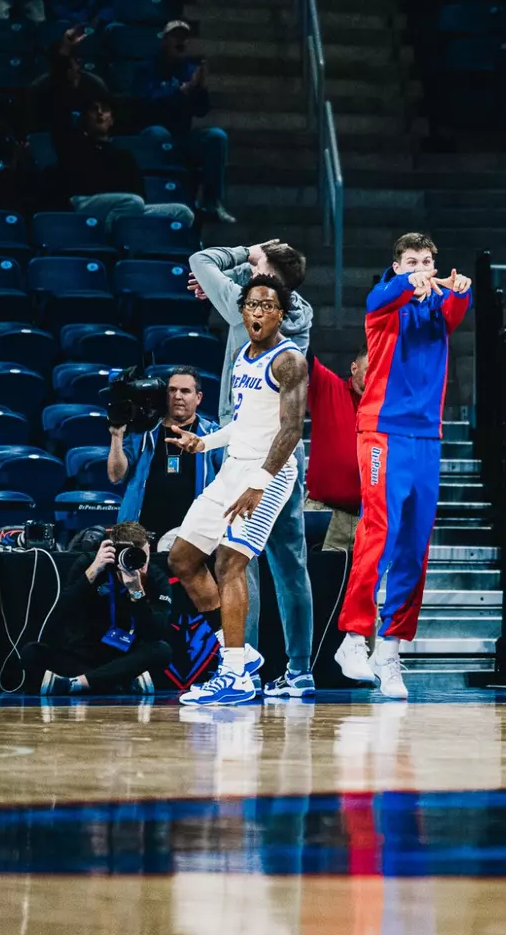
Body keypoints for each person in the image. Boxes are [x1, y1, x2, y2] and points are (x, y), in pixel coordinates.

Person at [335, 233, 471, 698]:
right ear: (397, 267)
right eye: (412, 261)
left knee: (415, 545)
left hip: (426, 436)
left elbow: (457, 308)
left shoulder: (438, 309)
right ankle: (354, 637)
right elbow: (382, 294)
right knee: (380, 530)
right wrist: (411, 280)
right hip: (382, 430)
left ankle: (389, 650)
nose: (421, 268)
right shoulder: (383, 304)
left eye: (428, 260)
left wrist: (461, 287)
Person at [166, 274, 309, 706]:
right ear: (242, 311)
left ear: (280, 314)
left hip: (270, 473)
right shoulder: (244, 356)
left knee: (230, 563)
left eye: (268, 306)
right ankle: (241, 653)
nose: (258, 312)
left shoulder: (289, 361)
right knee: (183, 559)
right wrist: (203, 442)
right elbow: (245, 424)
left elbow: (291, 429)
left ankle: (235, 676)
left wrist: (259, 485)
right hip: (232, 467)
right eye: (252, 305)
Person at [25, 521, 174, 697]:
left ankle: (77, 684)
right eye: (130, 555)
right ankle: (117, 683)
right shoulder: (90, 564)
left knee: (161, 651)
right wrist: (93, 571)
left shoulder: (155, 577)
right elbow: (61, 612)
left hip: (125, 656)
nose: (139, 565)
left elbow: (155, 632)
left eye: (143, 558)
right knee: (31, 653)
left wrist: (137, 592)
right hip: (83, 653)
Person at [108, 368, 224, 539]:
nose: (178, 396)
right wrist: (117, 436)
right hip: (141, 535)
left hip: (193, 537)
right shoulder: (143, 432)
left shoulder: (212, 435)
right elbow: (115, 476)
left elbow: (229, 480)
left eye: (185, 391)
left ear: (198, 398)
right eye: (172, 390)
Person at [136, 20, 231, 223]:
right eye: (175, 37)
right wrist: (184, 90)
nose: (181, 42)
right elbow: (148, 104)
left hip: (183, 137)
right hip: (153, 132)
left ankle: (211, 202)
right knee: (158, 134)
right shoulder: (148, 69)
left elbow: (201, 111)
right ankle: (160, 196)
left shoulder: (189, 70)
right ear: (165, 41)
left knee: (216, 136)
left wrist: (202, 88)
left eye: (184, 38)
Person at [57, 92, 193, 225]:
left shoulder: (123, 155)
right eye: (94, 110)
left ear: (111, 120)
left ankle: (130, 233)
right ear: (85, 117)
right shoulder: (75, 147)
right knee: (133, 202)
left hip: (128, 207)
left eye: (104, 110)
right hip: (87, 203)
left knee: (182, 212)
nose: (99, 113)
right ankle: (107, 235)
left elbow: (139, 193)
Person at [306, 344, 367, 549]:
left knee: (363, 582)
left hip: (368, 520)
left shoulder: (388, 409)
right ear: (354, 368)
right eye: (369, 369)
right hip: (325, 515)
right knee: (318, 579)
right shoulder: (329, 388)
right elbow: (302, 354)